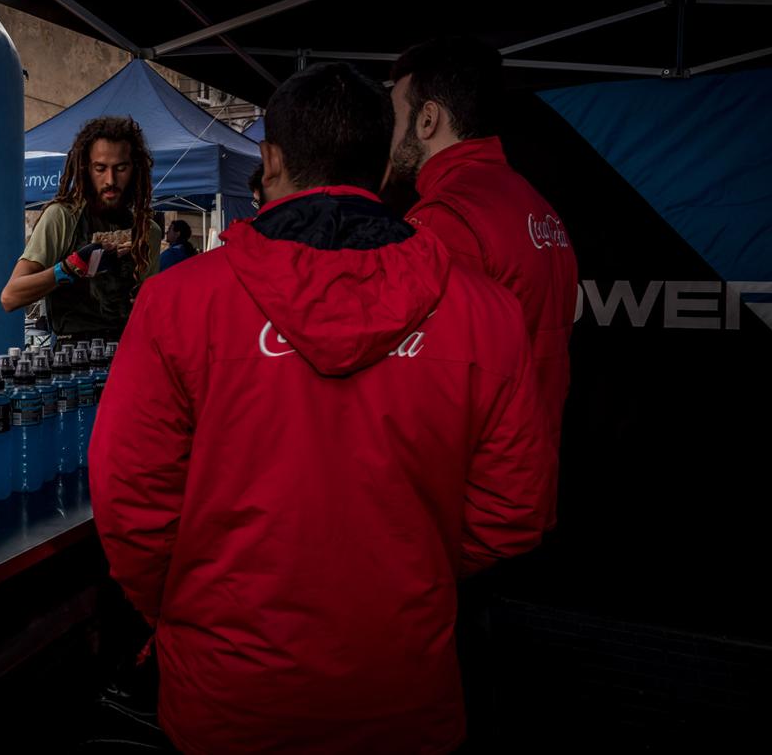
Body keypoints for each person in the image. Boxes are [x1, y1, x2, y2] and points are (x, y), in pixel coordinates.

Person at [89, 62, 555, 754]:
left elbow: (128, 497)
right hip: (401, 686)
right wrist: (408, 568)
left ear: (270, 159)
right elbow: (513, 509)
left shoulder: (179, 302)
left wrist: (189, 607)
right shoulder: (486, 313)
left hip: (230, 693)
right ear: (383, 166)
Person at [388, 36, 578, 501]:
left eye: (395, 116)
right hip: (524, 476)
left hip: (471, 492)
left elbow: (425, 390)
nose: (388, 134)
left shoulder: (444, 219)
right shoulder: (534, 204)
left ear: (427, 119)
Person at [0, 116, 162, 345]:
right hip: (73, 360)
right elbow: (10, 296)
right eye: (100, 168)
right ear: (86, 169)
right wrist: (69, 267)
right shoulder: (63, 217)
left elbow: (151, 311)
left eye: (121, 168)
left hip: (129, 353)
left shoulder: (147, 230)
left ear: (135, 169)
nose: (110, 180)